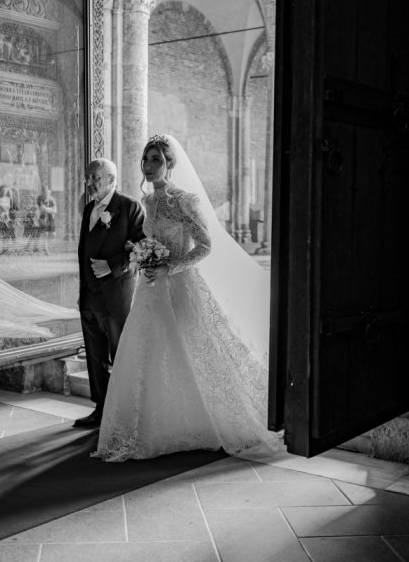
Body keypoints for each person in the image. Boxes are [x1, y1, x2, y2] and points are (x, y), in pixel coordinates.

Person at [92, 134, 279, 461]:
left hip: (180, 285)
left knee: (193, 350)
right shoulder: (148, 202)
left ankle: (208, 421)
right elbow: (146, 241)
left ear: (170, 164)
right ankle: (156, 425)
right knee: (152, 354)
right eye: (146, 160)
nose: (149, 167)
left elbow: (206, 246)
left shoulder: (184, 200)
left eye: (156, 161)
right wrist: (140, 255)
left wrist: (170, 268)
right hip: (150, 290)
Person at [74, 158, 146, 428]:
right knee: (95, 356)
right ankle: (101, 409)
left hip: (116, 296)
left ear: (111, 178)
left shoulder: (129, 207)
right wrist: (82, 291)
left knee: (120, 354)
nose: (89, 183)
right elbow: (83, 253)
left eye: (94, 178)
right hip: (90, 296)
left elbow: (142, 247)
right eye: (88, 178)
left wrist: (113, 266)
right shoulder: (88, 209)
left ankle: (125, 412)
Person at [36, 185, 57, 255]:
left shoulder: (52, 199)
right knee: (45, 234)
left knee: (53, 235)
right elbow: (42, 209)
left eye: (47, 191)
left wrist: (47, 209)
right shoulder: (39, 199)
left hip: (51, 218)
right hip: (43, 218)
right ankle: (46, 249)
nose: (46, 193)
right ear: (42, 192)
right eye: (44, 192)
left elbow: (55, 210)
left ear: (49, 191)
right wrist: (51, 209)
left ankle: (46, 246)